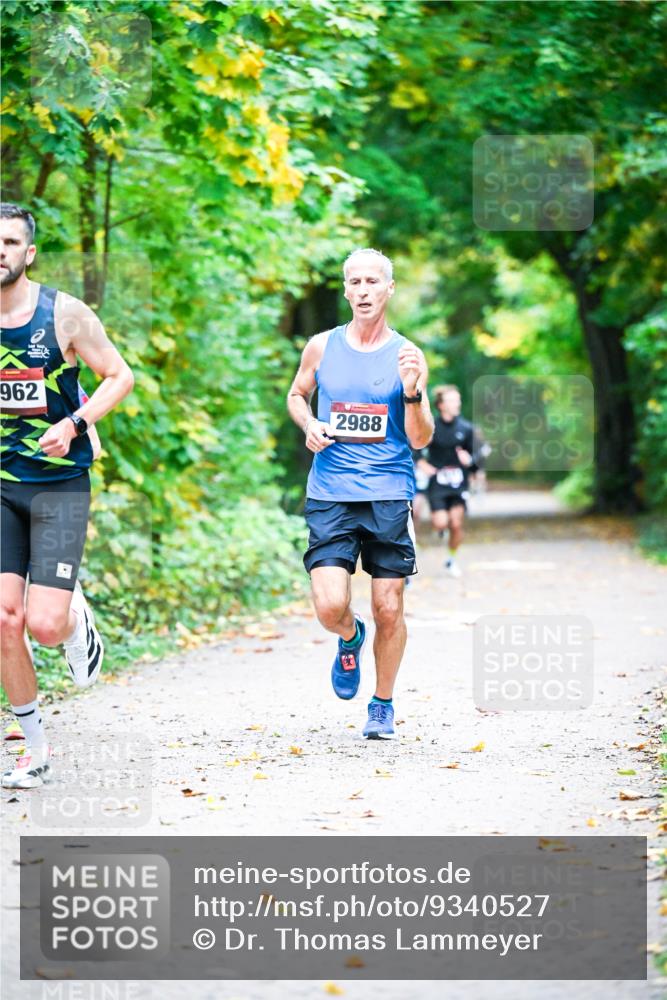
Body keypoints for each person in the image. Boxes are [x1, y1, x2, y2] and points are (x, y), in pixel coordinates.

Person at [0, 203, 134, 788]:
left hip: (57, 485)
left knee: (43, 626)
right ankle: (34, 748)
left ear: (28, 254)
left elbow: (119, 375)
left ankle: (74, 618)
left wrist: (76, 424)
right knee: (4, 620)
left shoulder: (64, 315)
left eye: (9, 243)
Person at [287, 248, 433, 739]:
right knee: (330, 604)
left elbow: (420, 438)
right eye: (355, 282)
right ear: (346, 290)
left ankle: (382, 704)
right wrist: (308, 422)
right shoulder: (321, 347)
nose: (364, 290)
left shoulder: (408, 354)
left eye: (373, 281)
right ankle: (350, 637)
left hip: (389, 491)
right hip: (331, 491)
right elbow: (295, 394)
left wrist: (411, 391)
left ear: (389, 289)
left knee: (389, 606)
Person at [417, 384, 481, 578]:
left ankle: (451, 560)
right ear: (441, 405)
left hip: (459, 483)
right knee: (440, 523)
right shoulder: (431, 427)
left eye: (458, 400)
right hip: (437, 482)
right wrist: (422, 463)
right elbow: (416, 447)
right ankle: (440, 530)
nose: (457, 404)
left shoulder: (466, 428)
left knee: (456, 524)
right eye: (452, 400)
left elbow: (476, 458)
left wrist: (469, 461)